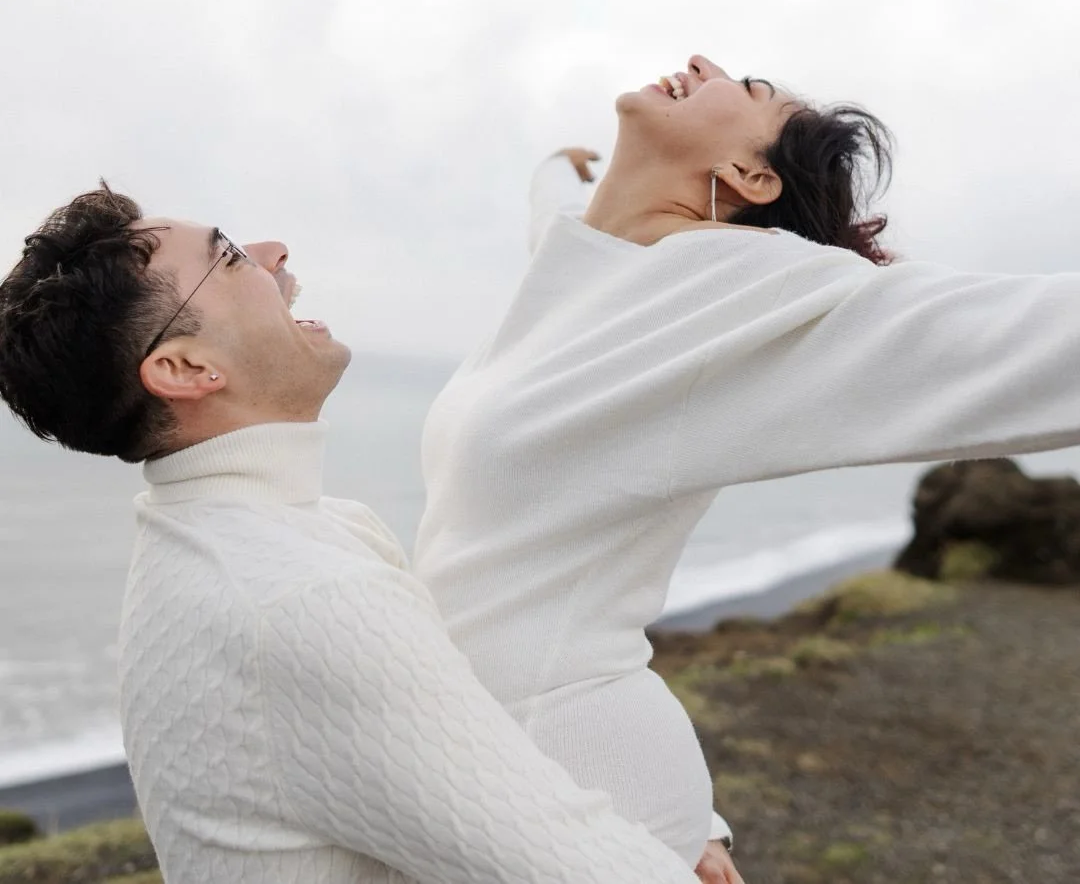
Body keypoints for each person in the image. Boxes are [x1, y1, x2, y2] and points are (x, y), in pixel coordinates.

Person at [413, 51, 1080, 869]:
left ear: (748, 176)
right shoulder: (579, 263)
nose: (705, 62)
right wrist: (558, 168)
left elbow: (1028, 336)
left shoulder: (752, 290)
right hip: (475, 765)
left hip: (570, 775)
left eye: (755, 89)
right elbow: (558, 211)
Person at [0, 186, 719, 884]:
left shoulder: (248, 539)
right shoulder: (298, 597)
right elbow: (561, 859)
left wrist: (683, 831)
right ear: (186, 368)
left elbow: (480, 741)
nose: (272, 251)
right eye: (227, 256)